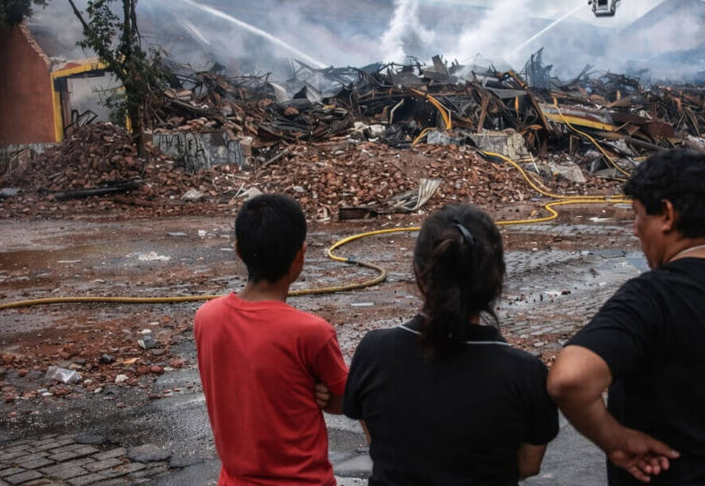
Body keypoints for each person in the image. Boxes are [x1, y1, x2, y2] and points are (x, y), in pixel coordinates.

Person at [547, 150, 705, 485]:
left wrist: (616, 441)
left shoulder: (652, 298)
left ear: (667, 214)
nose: (635, 230)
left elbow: (569, 379)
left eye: (638, 215)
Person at [343, 204, 559, 485]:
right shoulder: (526, 374)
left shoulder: (375, 351)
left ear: (419, 273)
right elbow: (528, 465)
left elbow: (378, 441)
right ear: (497, 280)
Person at [195, 193, 349, 486]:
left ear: (238, 251)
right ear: (301, 254)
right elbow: (346, 401)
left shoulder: (206, 318)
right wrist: (323, 395)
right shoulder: (312, 332)